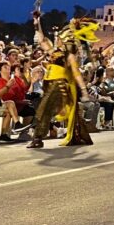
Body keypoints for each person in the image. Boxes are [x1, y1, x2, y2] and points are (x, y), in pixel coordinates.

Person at [27, 13, 96, 149]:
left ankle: (38, 138)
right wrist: (37, 22)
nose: (57, 38)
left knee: (44, 110)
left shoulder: (68, 56)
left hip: (59, 86)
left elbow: (76, 73)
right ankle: (44, 136)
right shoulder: (53, 51)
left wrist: (83, 91)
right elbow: (42, 40)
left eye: (60, 37)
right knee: (45, 110)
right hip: (50, 85)